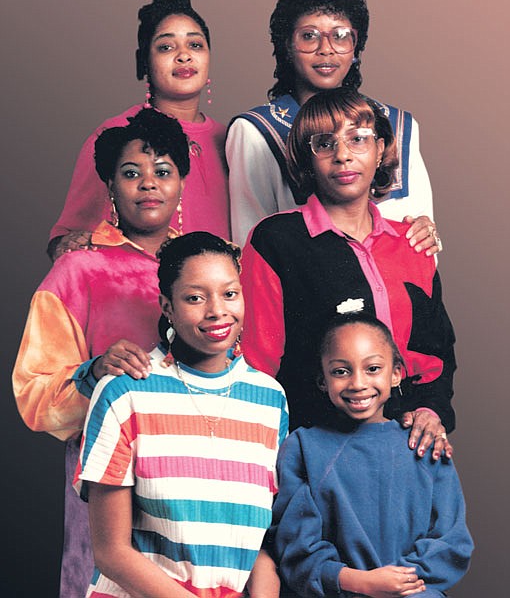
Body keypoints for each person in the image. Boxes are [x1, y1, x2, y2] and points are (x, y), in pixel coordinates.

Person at [13, 108, 190, 597]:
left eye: (163, 172)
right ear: (110, 187)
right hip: (110, 480)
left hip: (196, 477)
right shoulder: (78, 271)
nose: (148, 185)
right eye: (131, 174)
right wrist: (93, 373)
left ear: (181, 184)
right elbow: (33, 396)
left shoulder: (209, 262)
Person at [241, 88, 455, 458]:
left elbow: (436, 353)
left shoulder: (412, 243)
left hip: (407, 445)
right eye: (324, 143)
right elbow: (257, 363)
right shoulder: (277, 240)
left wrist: (429, 412)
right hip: (310, 446)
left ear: (381, 149)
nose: (343, 155)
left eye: (358, 139)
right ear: (307, 159)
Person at [73, 231, 288, 598]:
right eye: (194, 298)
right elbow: (111, 552)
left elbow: (262, 542)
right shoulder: (125, 392)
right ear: (167, 306)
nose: (217, 310)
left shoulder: (270, 399)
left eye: (230, 293)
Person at [227, 0, 440, 251]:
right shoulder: (256, 131)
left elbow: (423, 232)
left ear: (355, 47)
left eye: (340, 36)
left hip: (395, 285)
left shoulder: (398, 125)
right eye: (309, 36)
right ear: (287, 47)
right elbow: (250, 246)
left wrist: (427, 233)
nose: (326, 49)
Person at [270, 312, 473, 598]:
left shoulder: (426, 445)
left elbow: (451, 543)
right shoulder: (304, 448)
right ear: (323, 381)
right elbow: (297, 550)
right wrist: (361, 582)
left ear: (396, 374)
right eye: (341, 371)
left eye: (373, 368)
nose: (358, 383)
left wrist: (398, 584)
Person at [48, 0, 230, 260]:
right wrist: (68, 244)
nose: (183, 56)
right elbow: (65, 238)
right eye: (166, 47)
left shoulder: (230, 138)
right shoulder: (119, 134)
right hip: (141, 292)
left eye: (195, 45)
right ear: (144, 61)